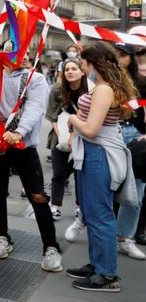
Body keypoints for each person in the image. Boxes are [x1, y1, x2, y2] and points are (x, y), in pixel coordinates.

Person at [66, 42, 139, 291]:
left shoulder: (104, 89)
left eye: (84, 63)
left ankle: (107, 274)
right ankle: (97, 264)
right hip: (92, 152)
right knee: (92, 211)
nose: (83, 68)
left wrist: (73, 119)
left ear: (94, 63)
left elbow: (91, 129)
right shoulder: (103, 87)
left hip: (98, 153)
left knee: (100, 213)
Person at [0, 52, 63, 273]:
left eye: (28, 53)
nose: (26, 57)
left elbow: (34, 107)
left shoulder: (35, 78)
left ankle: (51, 247)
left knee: (38, 195)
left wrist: (19, 132)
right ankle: (2, 237)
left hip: (24, 146)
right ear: (4, 56)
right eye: (19, 52)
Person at [112, 43, 146, 260]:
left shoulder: (142, 82)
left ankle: (124, 237)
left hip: (134, 135)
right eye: (115, 55)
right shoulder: (104, 80)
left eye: (122, 55)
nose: (118, 58)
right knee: (102, 186)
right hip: (108, 134)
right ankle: (85, 221)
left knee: (136, 191)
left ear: (131, 58)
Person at [46, 58, 87, 223]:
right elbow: (51, 115)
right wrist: (62, 135)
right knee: (58, 174)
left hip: (83, 136)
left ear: (82, 72)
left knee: (80, 174)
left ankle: (80, 208)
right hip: (60, 136)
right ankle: (55, 206)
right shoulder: (57, 89)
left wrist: (74, 135)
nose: (69, 71)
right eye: (67, 69)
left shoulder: (89, 91)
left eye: (74, 68)